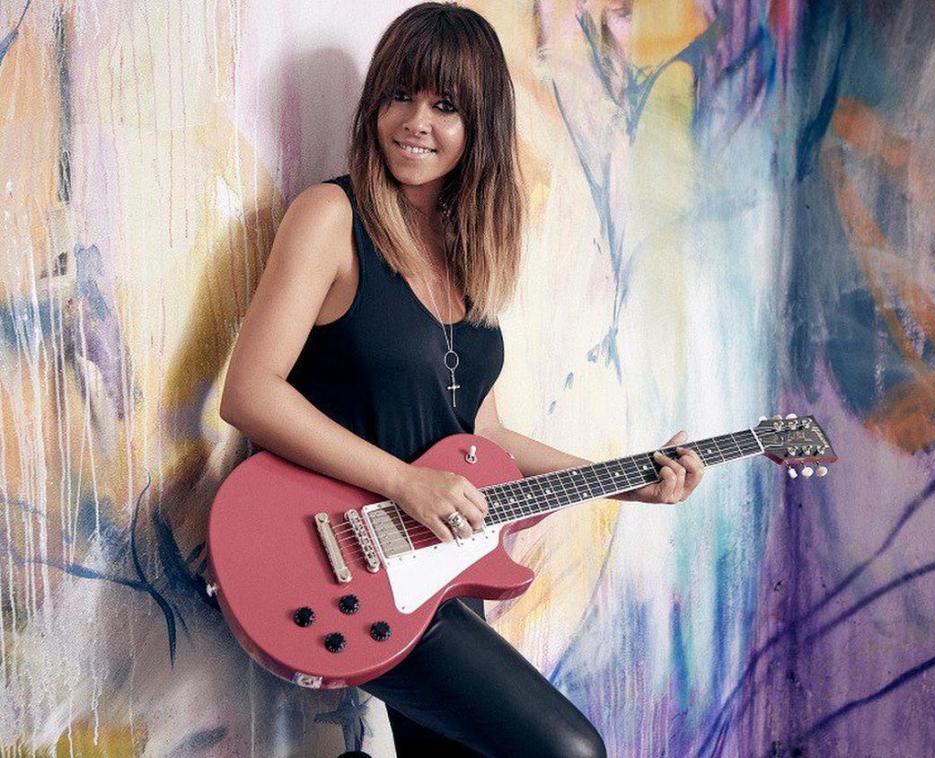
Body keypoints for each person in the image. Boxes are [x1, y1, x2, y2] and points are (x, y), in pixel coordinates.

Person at [218, 3, 704, 756]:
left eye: (445, 106)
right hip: (349, 562)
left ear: (480, 125)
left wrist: (624, 481)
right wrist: (404, 482)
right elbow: (250, 392)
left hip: (441, 564)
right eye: (399, 96)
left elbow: (483, 435)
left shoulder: (471, 255)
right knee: (570, 750)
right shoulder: (329, 217)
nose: (416, 122)